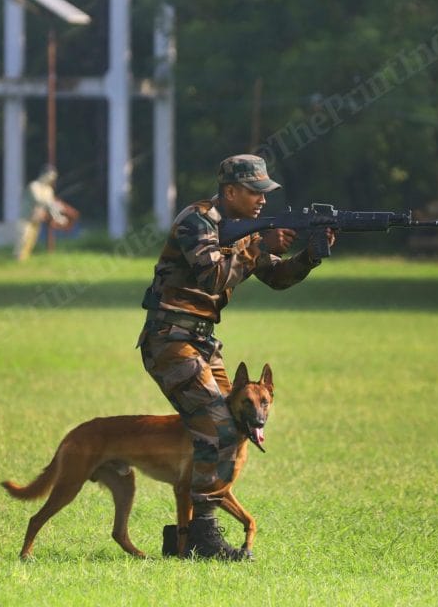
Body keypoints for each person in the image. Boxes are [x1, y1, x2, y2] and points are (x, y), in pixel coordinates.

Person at [137, 153, 334, 559]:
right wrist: (258, 246)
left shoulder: (246, 230)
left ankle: (184, 536)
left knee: (236, 422)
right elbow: (213, 276)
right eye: (254, 192)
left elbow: (276, 277)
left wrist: (309, 256)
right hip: (170, 339)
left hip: (202, 342)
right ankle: (203, 538)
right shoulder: (197, 221)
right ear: (229, 192)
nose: (263, 200)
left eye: (265, 193)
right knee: (218, 426)